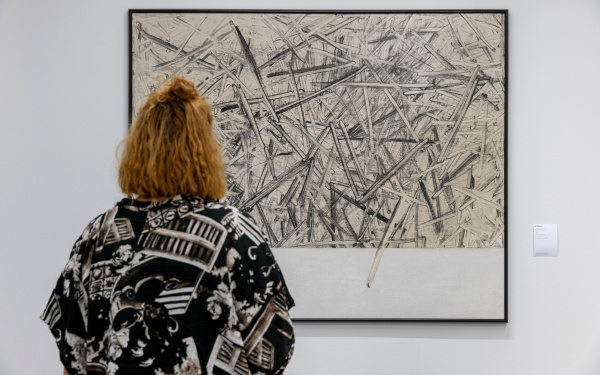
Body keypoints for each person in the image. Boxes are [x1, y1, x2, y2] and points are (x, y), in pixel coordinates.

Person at [41, 76, 295, 375]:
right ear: (206, 150)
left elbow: (72, 353)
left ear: (137, 148)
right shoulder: (235, 233)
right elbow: (274, 352)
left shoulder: (97, 236)